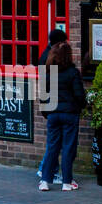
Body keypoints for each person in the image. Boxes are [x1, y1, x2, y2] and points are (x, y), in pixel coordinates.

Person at [38, 40, 86, 192]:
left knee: (52, 147)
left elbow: (43, 96)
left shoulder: (48, 73)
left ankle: (45, 180)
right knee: (68, 148)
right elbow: (79, 95)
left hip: (53, 114)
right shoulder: (73, 73)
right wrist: (80, 107)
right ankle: (66, 182)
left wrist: (47, 113)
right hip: (69, 114)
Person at [36, 28, 68, 184]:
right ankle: (47, 170)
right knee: (54, 142)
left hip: (51, 103)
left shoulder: (46, 54)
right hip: (53, 103)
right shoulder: (49, 57)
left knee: (54, 141)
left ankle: (46, 168)